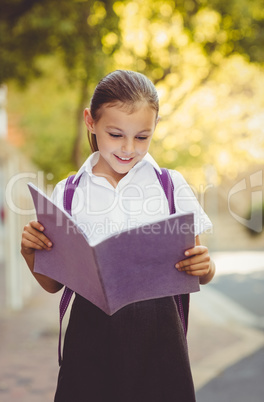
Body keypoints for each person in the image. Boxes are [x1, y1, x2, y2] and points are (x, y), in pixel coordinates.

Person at [21, 70, 215, 402]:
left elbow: (199, 268)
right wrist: (30, 252)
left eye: (142, 137)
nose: (128, 148)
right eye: (115, 134)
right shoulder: (68, 193)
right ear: (90, 122)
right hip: (89, 335)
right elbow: (54, 285)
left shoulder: (169, 186)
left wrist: (206, 268)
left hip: (159, 337)